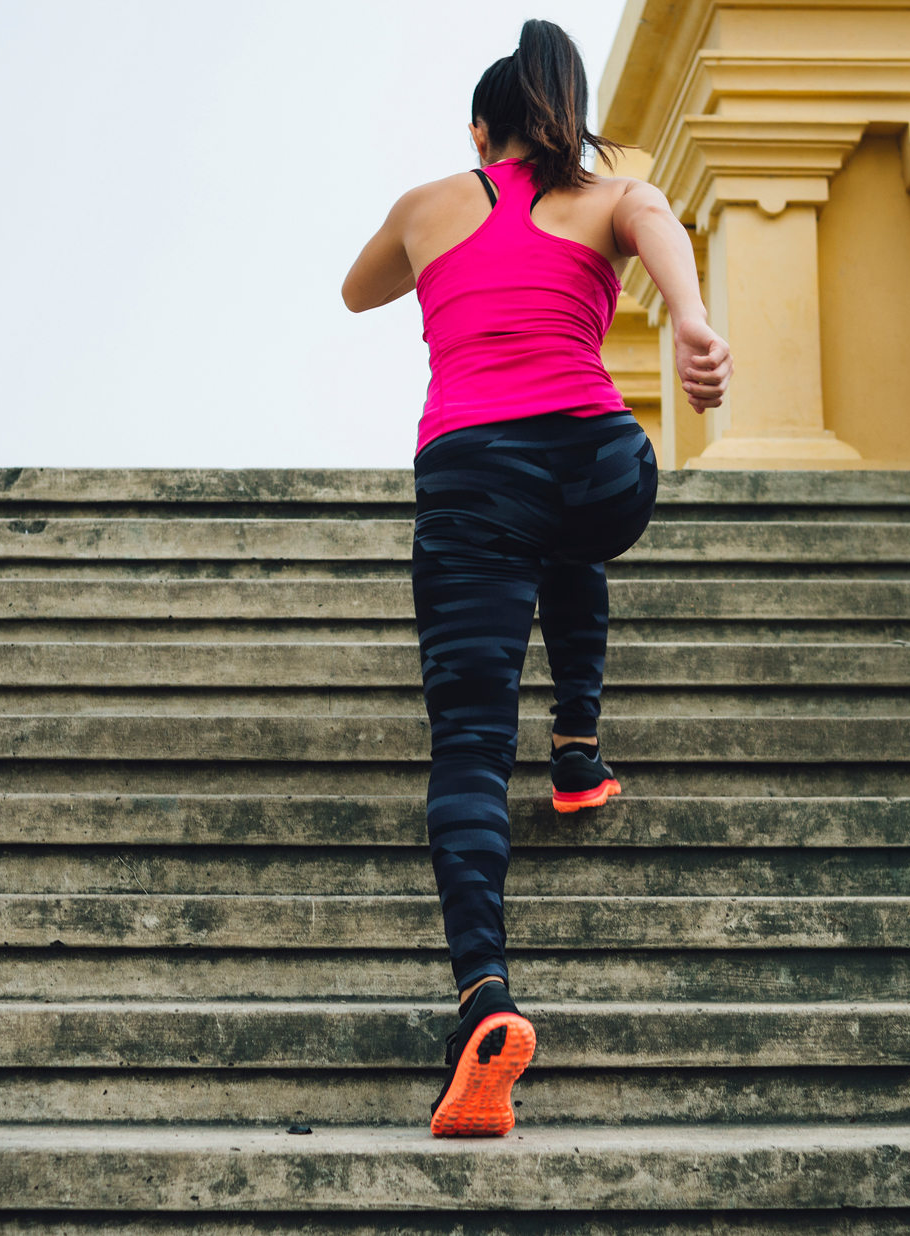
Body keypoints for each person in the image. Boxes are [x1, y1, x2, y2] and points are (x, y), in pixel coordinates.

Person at [341, 18, 732, 1138]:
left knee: (466, 743)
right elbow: (657, 220)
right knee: (568, 531)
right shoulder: (611, 193)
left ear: (481, 128)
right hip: (604, 465)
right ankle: (575, 748)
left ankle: (483, 1005)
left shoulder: (428, 205)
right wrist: (693, 324)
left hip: (473, 477)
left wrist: (441, 223)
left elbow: (356, 292)